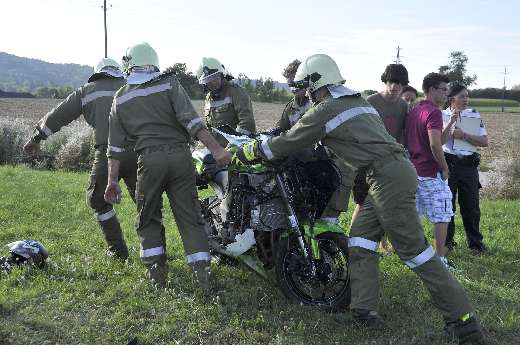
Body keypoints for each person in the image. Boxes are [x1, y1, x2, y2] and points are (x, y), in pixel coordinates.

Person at [232, 54, 482, 344]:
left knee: (415, 252)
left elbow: (288, 142)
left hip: (387, 176)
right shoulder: (357, 101)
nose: (306, 94)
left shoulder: (326, 109)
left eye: (307, 88)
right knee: (361, 241)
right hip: (385, 173)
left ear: (317, 84)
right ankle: (364, 311)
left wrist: (247, 152)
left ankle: (463, 321)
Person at [104, 42, 231, 291]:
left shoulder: (120, 98)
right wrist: (216, 149)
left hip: (148, 162)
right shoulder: (169, 84)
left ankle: (157, 278)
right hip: (180, 158)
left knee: (148, 217)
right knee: (190, 218)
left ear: (129, 65)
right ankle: (202, 280)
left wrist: (111, 181)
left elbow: (115, 148)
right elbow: (193, 123)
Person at [23, 58, 136, 260]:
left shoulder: (87, 91)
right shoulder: (132, 86)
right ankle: (155, 253)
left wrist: (36, 139)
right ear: (118, 72)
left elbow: (58, 116)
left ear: (97, 72)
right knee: (146, 202)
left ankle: (118, 252)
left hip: (107, 153)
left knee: (97, 200)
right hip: (139, 152)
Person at [276, 59, 354, 224]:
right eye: (289, 85)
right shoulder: (291, 108)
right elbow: (280, 132)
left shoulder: (322, 104)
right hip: (303, 170)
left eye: (295, 84)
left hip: (330, 168)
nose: (292, 89)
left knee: (328, 218)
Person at [353, 64, 410, 251]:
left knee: (387, 203)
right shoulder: (370, 101)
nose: (395, 87)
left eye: (400, 83)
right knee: (362, 202)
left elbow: (401, 134)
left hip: (389, 162)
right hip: (367, 160)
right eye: (392, 82)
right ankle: (351, 239)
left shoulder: (403, 106)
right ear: (385, 81)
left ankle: (382, 242)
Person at [406, 73, 456, 271]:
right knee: (442, 214)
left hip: (413, 170)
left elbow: (437, 140)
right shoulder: (434, 112)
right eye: (443, 89)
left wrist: (451, 123)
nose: (447, 94)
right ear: (432, 90)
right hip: (430, 171)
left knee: (415, 214)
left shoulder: (416, 109)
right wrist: (444, 167)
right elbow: (436, 145)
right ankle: (440, 260)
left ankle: (416, 257)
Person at [442, 83, 488, 253]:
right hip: (449, 165)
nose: (466, 99)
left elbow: (484, 142)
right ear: (451, 99)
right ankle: (447, 242)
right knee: (448, 206)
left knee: (472, 207)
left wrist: (465, 135)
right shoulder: (441, 115)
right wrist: (451, 126)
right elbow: (438, 141)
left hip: (469, 167)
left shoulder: (474, 115)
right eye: (462, 96)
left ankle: (475, 243)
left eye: (467, 96)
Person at [196, 57, 255, 146]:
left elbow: (247, 123)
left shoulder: (235, 91)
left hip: (238, 147)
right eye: (207, 80)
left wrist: (235, 145)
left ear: (222, 74)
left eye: (214, 77)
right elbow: (209, 127)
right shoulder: (208, 97)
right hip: (217, 148)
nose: (212, 82)